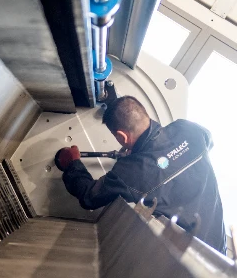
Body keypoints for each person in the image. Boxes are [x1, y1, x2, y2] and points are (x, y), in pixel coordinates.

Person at [55, 95, 226, 253]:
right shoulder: (187, 129)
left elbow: (89, 196)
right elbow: (208, 141)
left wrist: (72, 163)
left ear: (122, 137)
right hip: (219, 251)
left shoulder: (130, 171)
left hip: (187, 258)